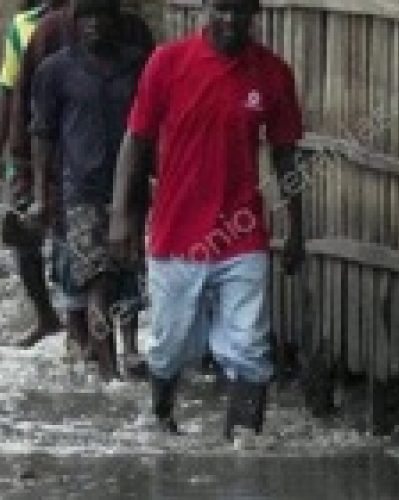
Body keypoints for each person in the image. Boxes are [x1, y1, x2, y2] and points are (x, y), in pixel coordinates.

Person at [108, 0, 305, 438]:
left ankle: (243, 447)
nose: (230, 21)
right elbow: (135, 141)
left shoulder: (271, 73)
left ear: (254, 15)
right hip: (177, 234)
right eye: (221, 9)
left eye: (240, 12)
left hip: (242, 234)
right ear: (206, 9)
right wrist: (121, 217)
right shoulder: (168, 63)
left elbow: (286, 156)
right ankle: (161, 420)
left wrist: (296, 227)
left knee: (249, 347)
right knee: (171, 345)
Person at [11, 0, 154, 371]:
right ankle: (105, 366)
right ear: (76, 22)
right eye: (86, 18)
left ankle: (130, 346)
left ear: (116, 19)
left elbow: (154, 124)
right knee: (96, 278)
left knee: (129, 270)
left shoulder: (138, 65)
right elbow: (40, 132)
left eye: (102, 16)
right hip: (80, 189)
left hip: (131, 186)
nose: (94, 25)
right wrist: (39, 192)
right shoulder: (55, 70)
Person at [0, 0, 65, 349]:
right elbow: (7, 89)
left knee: (76, 235)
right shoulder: (23, 25)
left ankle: (84, 322)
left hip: (76, 144)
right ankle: (46, 315)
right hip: (30, 147)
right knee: (23, 230)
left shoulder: (94, 22)